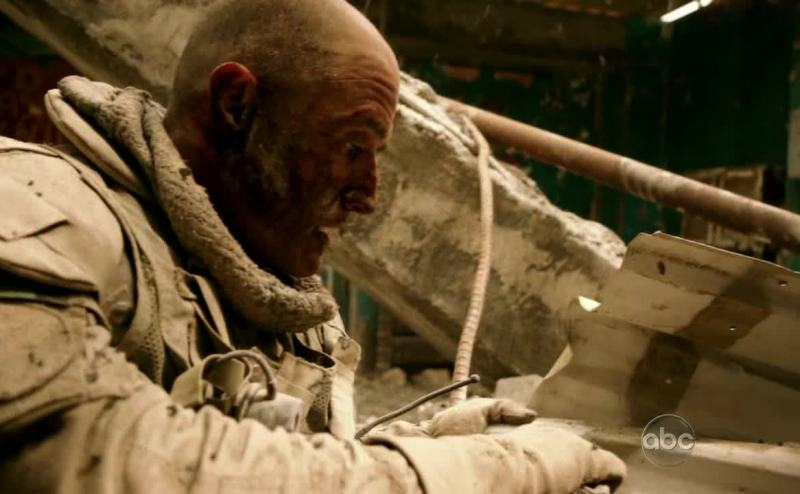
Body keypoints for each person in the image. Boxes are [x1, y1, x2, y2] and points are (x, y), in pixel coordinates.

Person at [0, 0, 626, 491]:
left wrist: (428, 443)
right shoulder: (35, 204)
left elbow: (276, 460)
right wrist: (492, 471)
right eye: (352, 148)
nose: (367, 195)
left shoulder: (275, 294)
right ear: (236, 104)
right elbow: (85, 454)